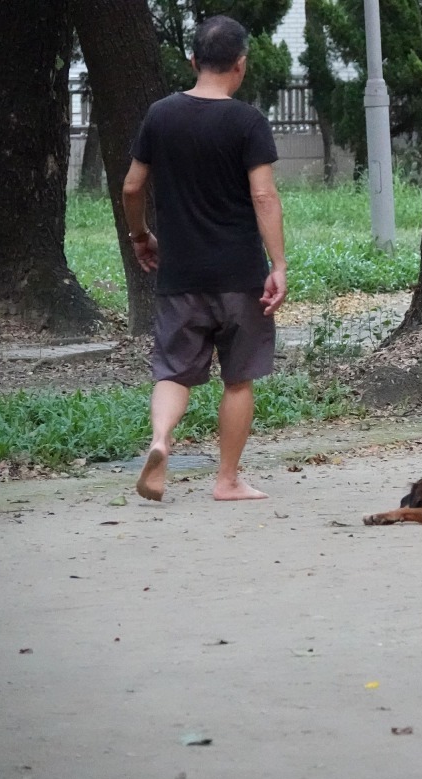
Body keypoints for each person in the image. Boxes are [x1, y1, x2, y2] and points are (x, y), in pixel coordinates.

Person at [122, 15, 288, 501]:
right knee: (238, 379)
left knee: (173, 370)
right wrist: (277, 265)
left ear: (192, 60)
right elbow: (264, 197)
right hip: (240, 274)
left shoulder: (160, 115)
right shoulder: (248, 121)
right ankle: (227, 480)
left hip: (180, 274)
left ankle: (159, 441)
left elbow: (133, 185)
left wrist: (140, 234)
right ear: (241, 65)